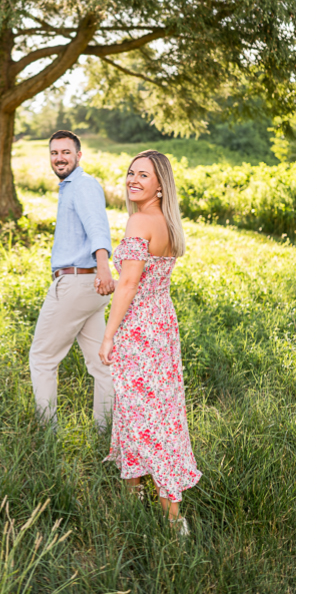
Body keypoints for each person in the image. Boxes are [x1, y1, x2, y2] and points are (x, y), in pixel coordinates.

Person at [99, 150, 201, 535]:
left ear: (160, 185)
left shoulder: (140, 220)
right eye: (131, 173)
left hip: (139, 326)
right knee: (160, 410)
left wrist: (109, 334)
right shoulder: (167, 223)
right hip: (162, 324)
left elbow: (127, 284)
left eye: (144, 175)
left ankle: (172, 516)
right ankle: (137, 493)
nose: (134, 180)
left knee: (140, 410)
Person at [28, 130, 116, 430]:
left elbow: (97, 227)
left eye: (66, 152)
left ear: (79, 155)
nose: (59, 158)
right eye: (54, 153)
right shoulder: (70, 186)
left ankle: (46, 432)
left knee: (41, 358)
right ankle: (105, 430)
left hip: (78, 283)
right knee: (101, 364)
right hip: (88, 288)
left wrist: (104, 268)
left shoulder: (83, 184)